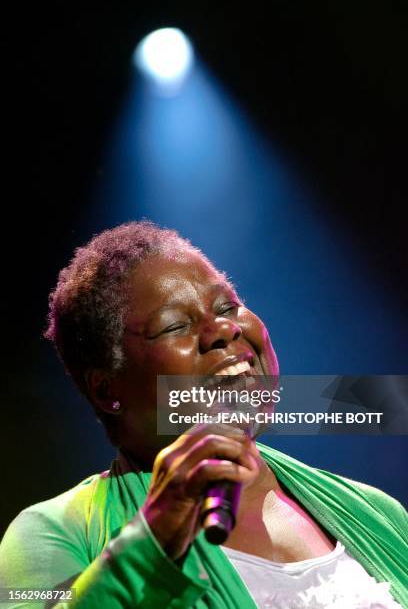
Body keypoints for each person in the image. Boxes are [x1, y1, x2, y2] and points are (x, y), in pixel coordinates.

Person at [0, 221, 406, 608]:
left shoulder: (376, 512)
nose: (223, 330)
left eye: (228, 306)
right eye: (174, 326)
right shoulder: (52, 532)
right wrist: (153, 543)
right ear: (108, 391)